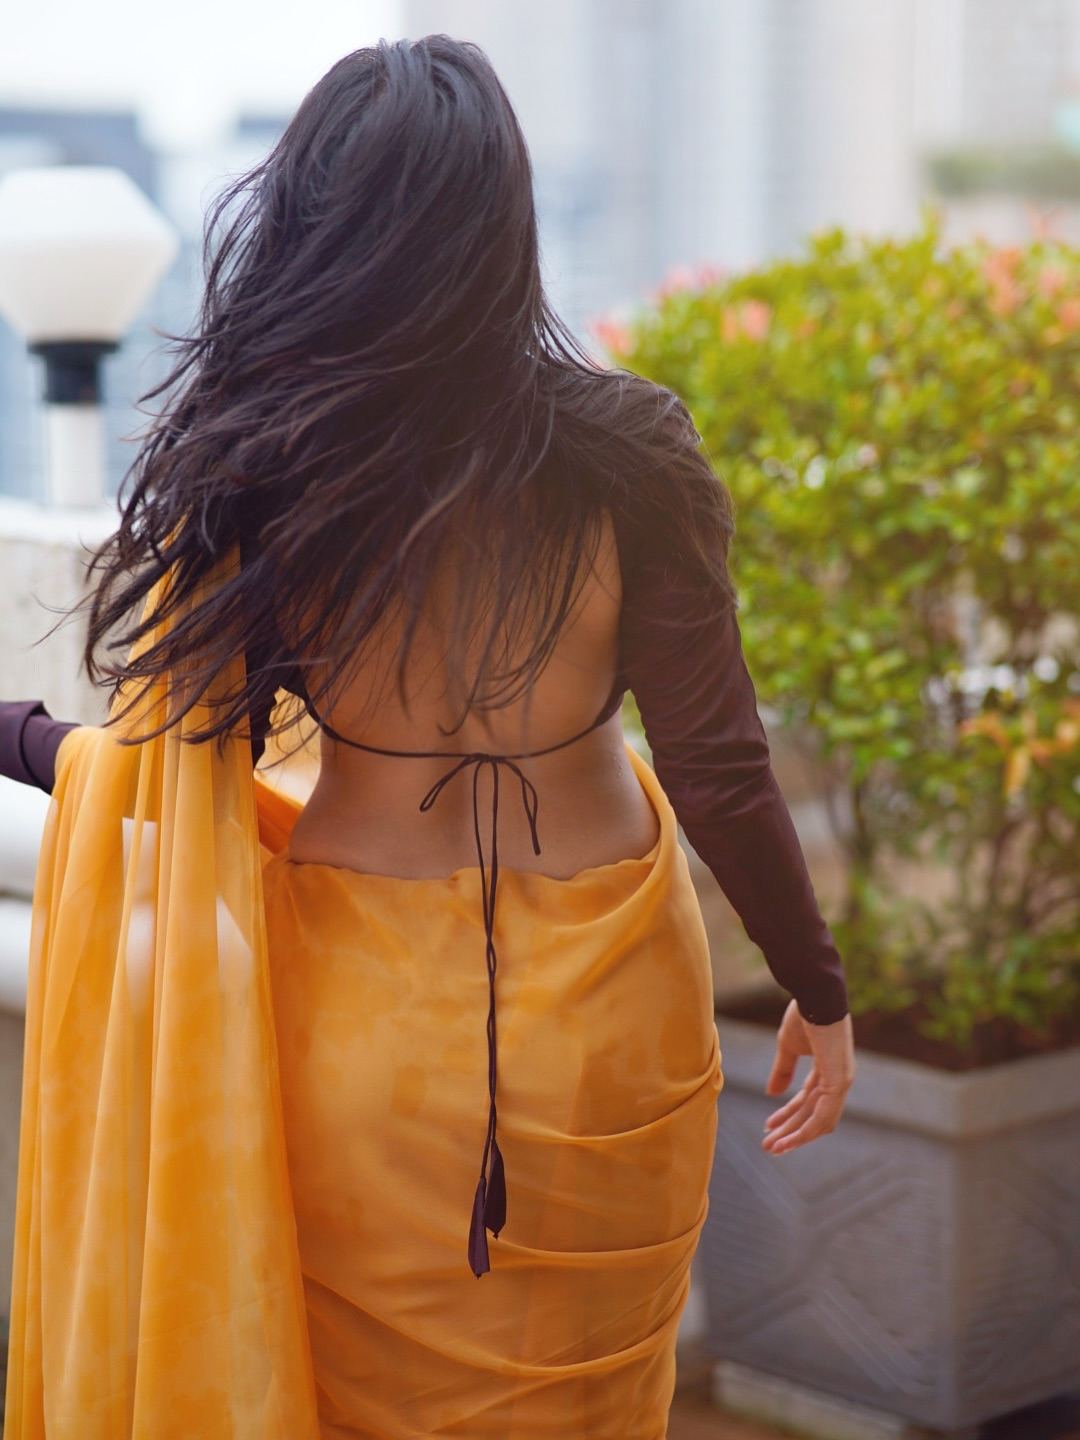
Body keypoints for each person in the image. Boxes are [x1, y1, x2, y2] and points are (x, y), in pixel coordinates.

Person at [0, 34, 854, 1440]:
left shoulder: (273, 458)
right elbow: (718, 765)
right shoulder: (631, 448)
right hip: (616, 1025)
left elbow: (167, 766)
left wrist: (19, 732)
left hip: (351, 1033)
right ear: (504, 221)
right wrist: (818, 991)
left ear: (312, 225)